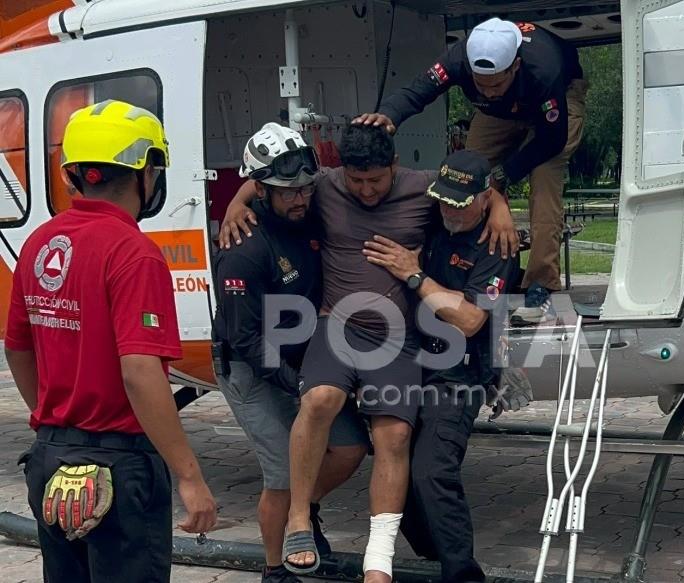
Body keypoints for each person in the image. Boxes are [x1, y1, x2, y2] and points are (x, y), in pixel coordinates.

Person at [217, 124, 516, 582]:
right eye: (356, 181)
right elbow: (269, 180)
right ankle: (299, 519)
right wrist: (238, 202)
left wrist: (499, 207)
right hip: (334, 322)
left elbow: (470, 188)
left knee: (392, 437)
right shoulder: (325, 186)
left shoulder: (424, 189)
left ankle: (378, 564)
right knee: (319, 399)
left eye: (375, 180)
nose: (365, 190)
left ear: (395, 167)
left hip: (397, 338)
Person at [5, 99, 217, 583]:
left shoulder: (39, 243)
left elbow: (17, 344)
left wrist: (55, 419)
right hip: (119, 469)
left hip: (50, 461)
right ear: (147, 172)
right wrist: (188, 475)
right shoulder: (134, 253)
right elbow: (140, 370)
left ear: (74, 174)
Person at [211, 123, 369, 583]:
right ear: (261, 189)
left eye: (305, 188)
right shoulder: (243, 248)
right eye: (287, 192)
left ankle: (303, 513)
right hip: (251, 367)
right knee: (282, 472)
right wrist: (296, 385)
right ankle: (274, 568)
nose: (300, 199)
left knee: (350, 447)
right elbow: (245, 340)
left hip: (303, 359)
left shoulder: (309, 215)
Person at [355, 17, 588, 325]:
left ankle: (541, 284)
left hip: (556, 102)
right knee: (464, 171)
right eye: (481, 84)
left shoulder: (543, 69)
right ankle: (454, 263)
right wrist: (388, 114)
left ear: (514, 66)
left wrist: (499, 182)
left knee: (544, 179)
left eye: (495, 84)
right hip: (501, 114)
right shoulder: (457, 58)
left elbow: (551, 140)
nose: (489, 92)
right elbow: (419, 90)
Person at [362, 150, 519, 582]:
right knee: (394, 468)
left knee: (433, 471)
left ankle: (462, 574)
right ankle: (432, 553)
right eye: (443, 199)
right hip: (409, 360)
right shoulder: (436, 213)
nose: (450, 208)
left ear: (485, 198)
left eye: (461, 201)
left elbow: (470, 320)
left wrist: (415, 276)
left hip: (460, 371)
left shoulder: (497, 244)